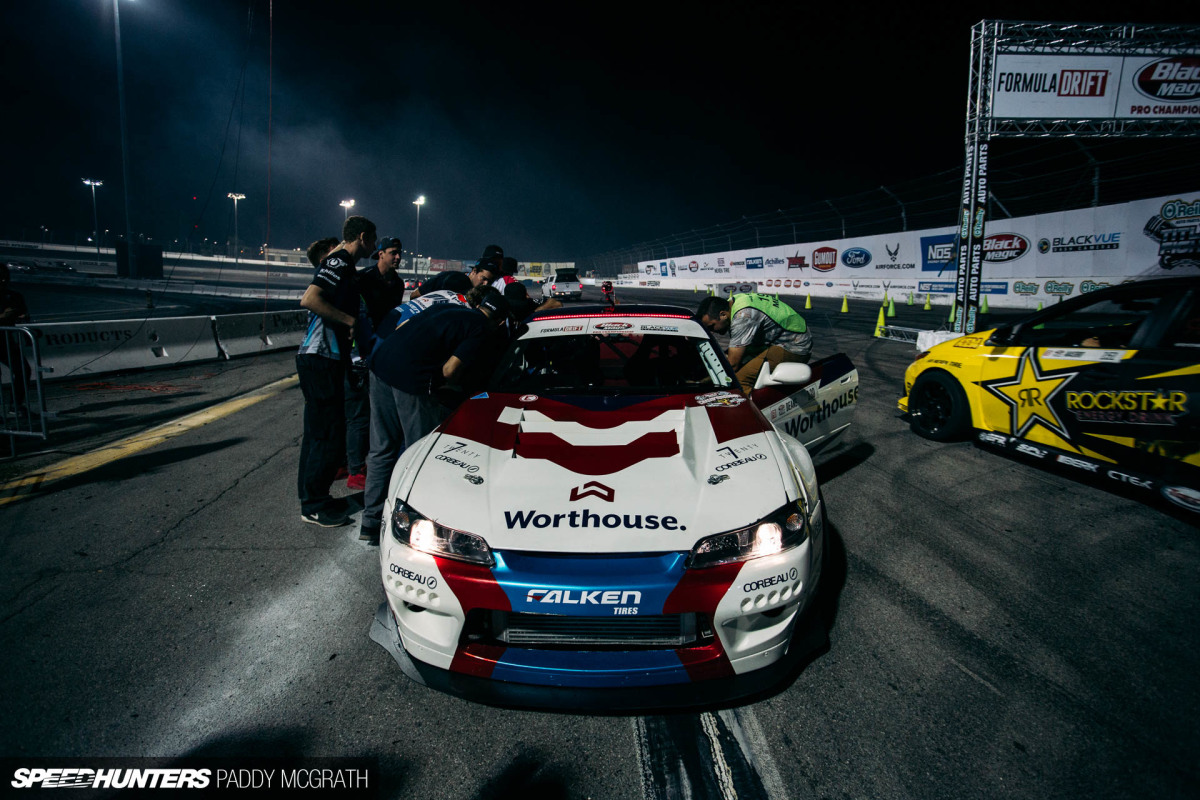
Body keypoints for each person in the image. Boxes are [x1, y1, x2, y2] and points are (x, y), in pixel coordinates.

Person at [358, 286, 510, 545]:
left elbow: (404, 327)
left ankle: (370, 523)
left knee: (381, 447)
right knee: (420, 454)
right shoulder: (482, 328)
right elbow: (451, 370)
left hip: (380, 364)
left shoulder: (447, 308)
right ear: (500, 321)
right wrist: (434, 384)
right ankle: (414, 525)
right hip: (409, 377)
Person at [296, 215, 377, 527]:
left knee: (318, 434)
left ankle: (312, 499)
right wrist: (350, 321)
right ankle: (314, 505)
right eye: (373, 238)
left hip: (324, 358)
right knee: (326, 435)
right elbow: (310, 299)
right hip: (320, 357)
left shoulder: (346, 264)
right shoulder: (340, 260)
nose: (374, 244)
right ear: (362, 237)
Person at [342, 236, 408, 492]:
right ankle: (354, 469)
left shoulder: (398, 282)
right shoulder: (363, 279)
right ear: (379, 254)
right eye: (393, 252)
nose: (398, 257)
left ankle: (363, 462)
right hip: (359, 351)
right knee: (357, 415)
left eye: (399, 253)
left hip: (381, 351)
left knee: (374, 414)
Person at [696, 293, 812, 393]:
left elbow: (733, 364)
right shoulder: (734, 302)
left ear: (723, 315)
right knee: (732, 359)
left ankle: (747, 415)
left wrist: (702, 382)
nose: (712, 331)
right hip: (778, 337)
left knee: (739, 380)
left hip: (794, 345)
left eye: (712, 326)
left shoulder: (742, 317)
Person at [0, 263, 33, 415]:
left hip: (6, 341)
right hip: (4, 339)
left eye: (5, 277)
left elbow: (23, 315)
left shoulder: (14, 296)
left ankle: (16, 404)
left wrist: (21, 318)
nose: (4, 280)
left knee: (23, 370)